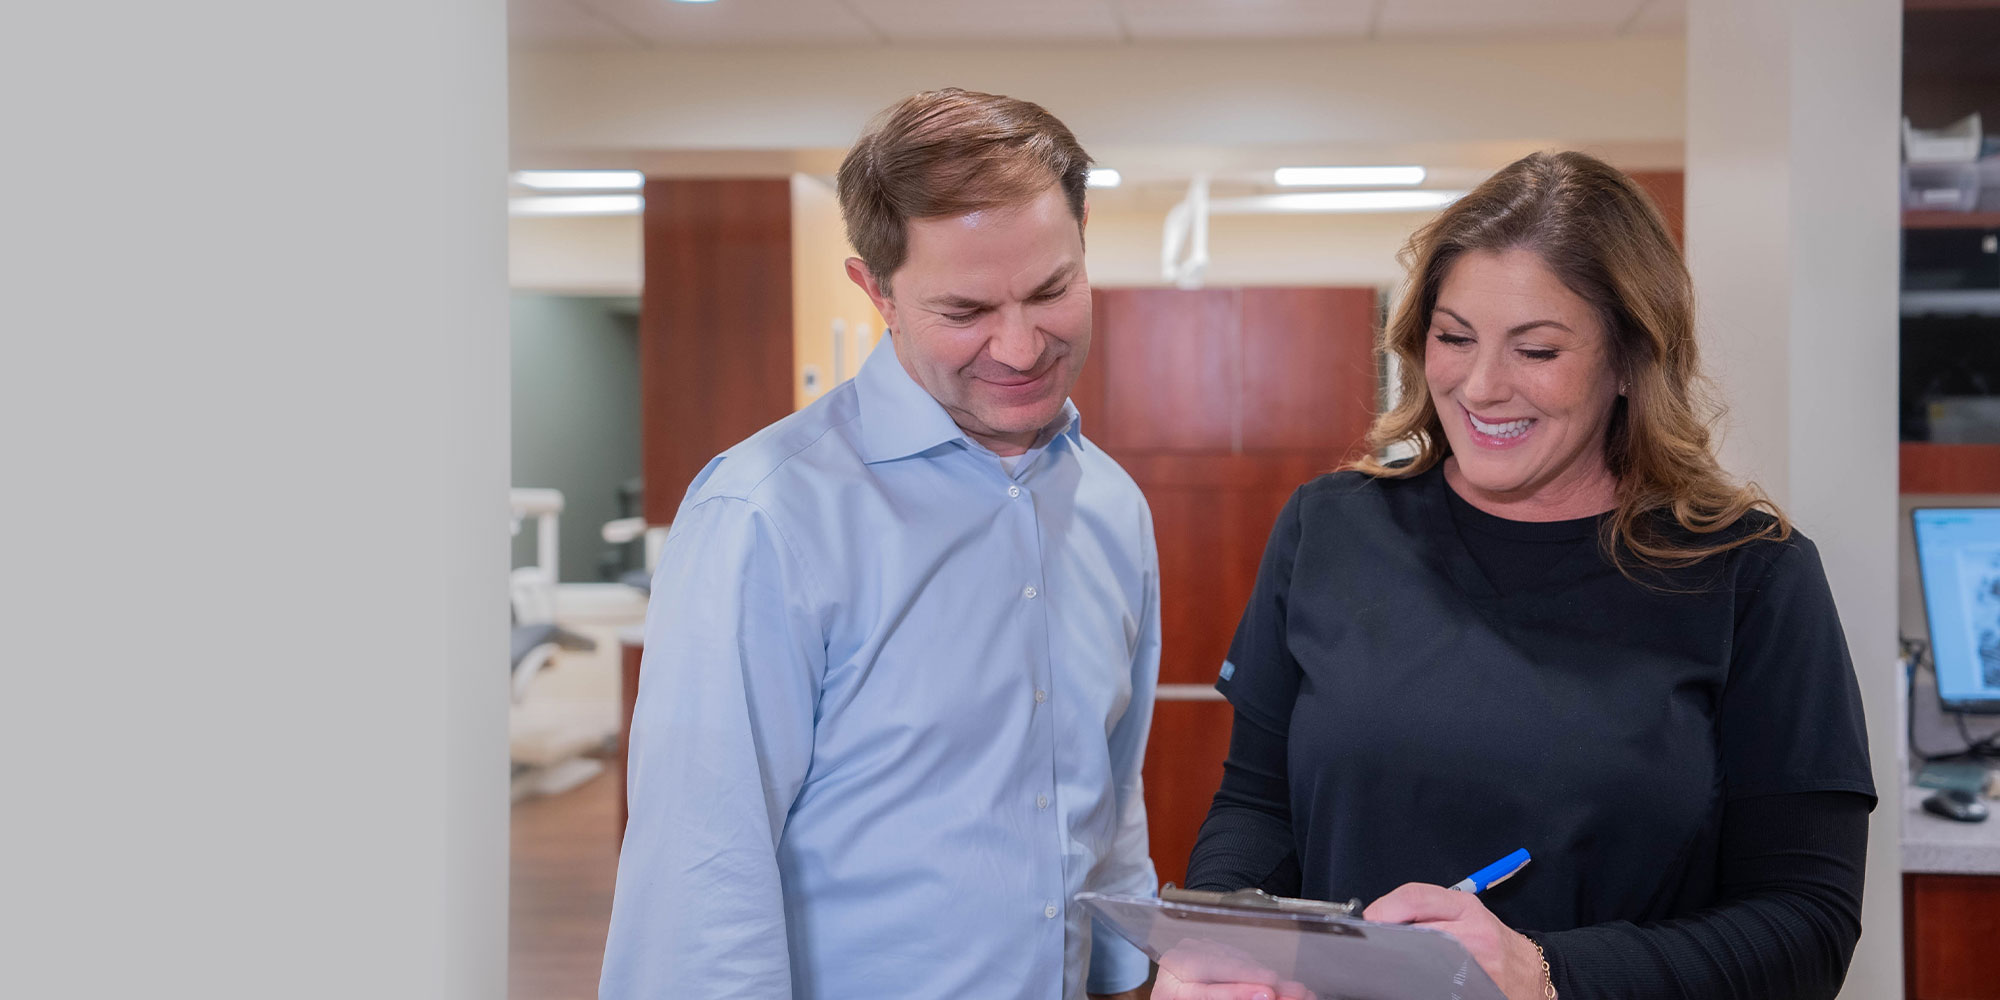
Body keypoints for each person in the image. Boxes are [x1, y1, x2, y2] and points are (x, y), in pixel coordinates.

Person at [1159, 151, 1875, 1000]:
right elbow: (1258, 807)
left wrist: (1544, 975)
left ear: (1628, 362)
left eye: (1535, 349)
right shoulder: (1332, 526)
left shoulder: (1752, 576)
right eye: (1454, 338)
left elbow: (1806, 926)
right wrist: (1226, 942)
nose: (1482, 386)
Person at [599, 88, 1159, 1000]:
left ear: (1085, 239)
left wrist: (1126, 975)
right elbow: (700, 874)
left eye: (1052, 291)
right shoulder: (765, 515)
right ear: (877, 292)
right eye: (966, 310)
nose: (1020, 348)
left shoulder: (1111, 504)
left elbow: (1106, 789)